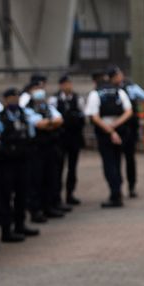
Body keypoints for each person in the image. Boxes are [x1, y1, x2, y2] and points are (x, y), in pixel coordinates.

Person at [0, 87, 40, 241]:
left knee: (22, 195)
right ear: (5, 100)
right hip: (5, 164)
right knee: (5, 197)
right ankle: (6, 230)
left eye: (16, 97)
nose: (14, 100)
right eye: (11, 97)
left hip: (22, 161)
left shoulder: (24, 116)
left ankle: (20, 225)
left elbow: (31, 135)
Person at [85, 68, 132, 208]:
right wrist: (115, 126)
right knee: (117, 162)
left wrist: (110, 130)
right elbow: (129, 111)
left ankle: (115, 193)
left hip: (105, 132)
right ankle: (117, 190)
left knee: (109, 163)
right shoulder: (119, 91)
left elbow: (94, 116)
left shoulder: (95, 94)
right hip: (119, 130)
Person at [23, 77, 66, 224]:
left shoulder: (46, 106)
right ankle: (36, 210)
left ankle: (49, 206)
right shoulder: (27, 107)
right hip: (36, 148)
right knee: (36, 180)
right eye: (37, 89)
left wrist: (49, 124)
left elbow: (59, 120)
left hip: (50, 146)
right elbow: (38, 124)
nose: (40, 92)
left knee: (51, 177)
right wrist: (50, 124)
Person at [112, 67, 144, 198]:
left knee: (130, 158)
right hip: (114, 129)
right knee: (115, 160)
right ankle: (117, 187)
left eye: (118, 74)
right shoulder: (109, 89)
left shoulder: (130, 86)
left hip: (130, 128)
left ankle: (132, 186)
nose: (117, 77)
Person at [52, 74, 87, 205]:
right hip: (60, 138)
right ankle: (57, 196)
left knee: (72, 167)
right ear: (61, 86)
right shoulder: (54, 100)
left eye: (69, 83)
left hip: (74, 138)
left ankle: (70, 193)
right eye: (65, 84)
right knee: (58, 168)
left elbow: (83, 117)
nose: (68, 86)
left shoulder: (78, 99)